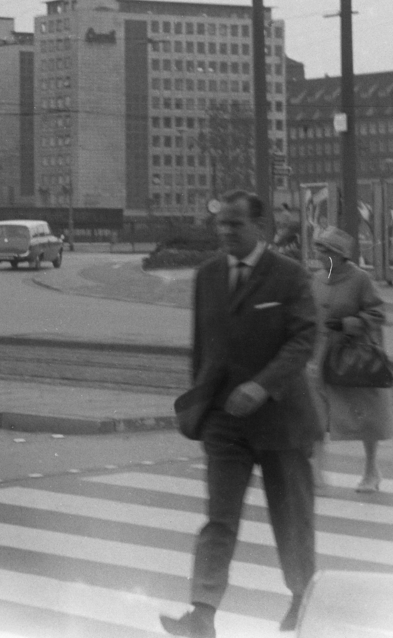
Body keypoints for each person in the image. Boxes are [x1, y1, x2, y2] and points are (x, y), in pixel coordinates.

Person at [162, 191, 321, 637]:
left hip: (283, 422)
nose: (226, 232)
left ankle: (301, 599)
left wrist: (262, 385)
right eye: (221, 225)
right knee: (219, 519)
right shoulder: (207, 275)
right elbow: (202, 346)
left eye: (235, 224)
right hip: (224, 421)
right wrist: (202, 401)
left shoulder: (289, 277)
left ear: (260, 228)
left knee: (291, 521)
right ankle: (202, 612)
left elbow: (304, 340)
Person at [309, 225, 393, 494]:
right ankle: (317, 470)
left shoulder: (360, 279)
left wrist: (349, 323)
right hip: (320, 356)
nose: (319, 256)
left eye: (324, 251)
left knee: (366, 415)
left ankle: (371, 470)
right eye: (318, 251)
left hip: (354, 357)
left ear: (339, 254)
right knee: (316, 414)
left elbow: (378, 313)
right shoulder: (317, 278)